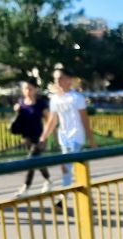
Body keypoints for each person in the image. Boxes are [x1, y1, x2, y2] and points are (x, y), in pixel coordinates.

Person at [39, 66, 96, 204]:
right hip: (63, 137)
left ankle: (62, 199)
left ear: (68, 80)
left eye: (60, 78)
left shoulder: (76, 98)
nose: (57, 82)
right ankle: (86, 195)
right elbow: (52, 120)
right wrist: (43, 137)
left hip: (76, 136)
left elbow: (84, 119)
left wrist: (91, 140)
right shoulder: (54, 99)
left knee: (67, 167)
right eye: (55, 79)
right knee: (71, 168)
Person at [13, 78, 52, 197]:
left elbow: (48, 121)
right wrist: (16, 111)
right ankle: (48, 180)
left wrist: (45, 137)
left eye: (30, 89)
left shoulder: (41, 104)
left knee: (31, 160)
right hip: (27, 138)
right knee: (37, 161)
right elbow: (19, 121)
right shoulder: (21, 103)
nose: (28, 91)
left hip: (39, 137)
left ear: (35, 90)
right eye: (25, 89)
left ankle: (26, 187)